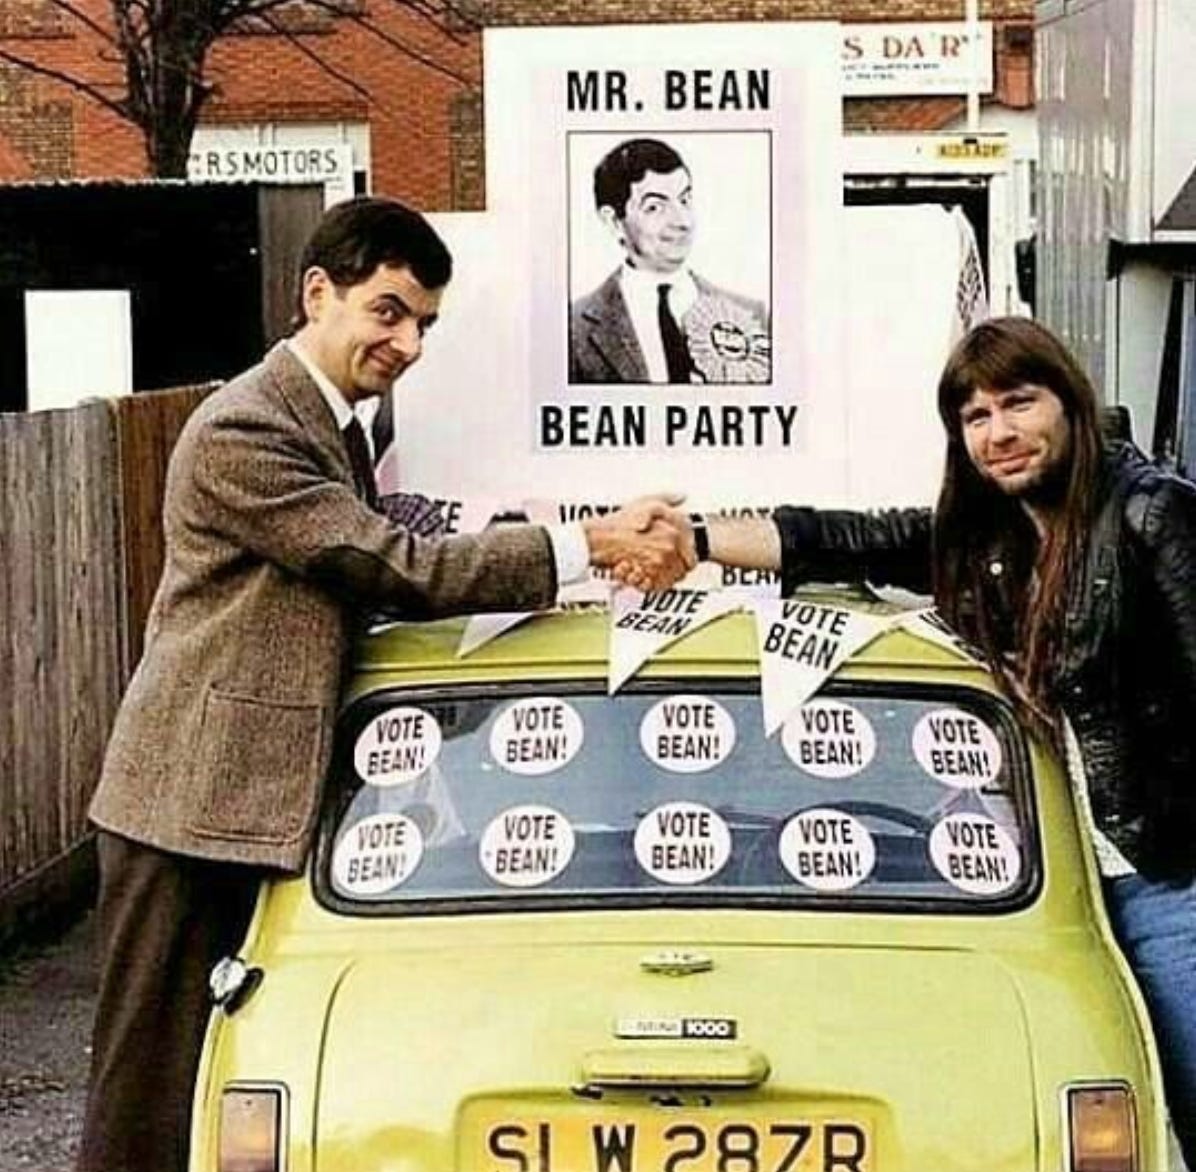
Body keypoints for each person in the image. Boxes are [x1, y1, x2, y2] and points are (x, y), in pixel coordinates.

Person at [76, 196, 691, 1172]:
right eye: (388, 311)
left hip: (250, 796)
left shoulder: (331, 425)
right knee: (155, 1094)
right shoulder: (246, 427)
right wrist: (588, 544)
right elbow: (387, 563)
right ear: (317, 292)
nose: (407, 344)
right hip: (192, 803)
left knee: (244, 1072)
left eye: (424, 324)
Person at [659, 316, 1196, 1167]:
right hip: (1067, 885)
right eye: (976, 417)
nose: (999, 432)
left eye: (1019, 403)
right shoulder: (997, 536)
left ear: (1070, 402)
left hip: (1170, 876)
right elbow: (850, 539)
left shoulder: (1154, 513)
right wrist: (689, 540)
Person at [569, 137, 771, 385]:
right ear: (613, 222)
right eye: (655, 207)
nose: (682, 221)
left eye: (685, 200)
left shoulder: (753, 318)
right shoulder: (572, 328)